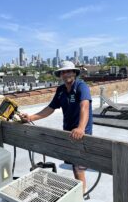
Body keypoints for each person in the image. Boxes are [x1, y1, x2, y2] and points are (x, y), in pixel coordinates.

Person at [20, 60, 93, 194]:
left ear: (74, 73)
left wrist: (81, 128)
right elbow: (50, 108)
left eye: (68, 71)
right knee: (73, 164)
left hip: (82, 133)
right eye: (63, 72)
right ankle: (81, 191)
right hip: (68, 133)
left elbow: (85, 106)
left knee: (79, 167)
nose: (66, 74)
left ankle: (83, 194)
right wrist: (31, 118)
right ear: (60, 75)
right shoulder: (60, 90)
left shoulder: (81, 86)